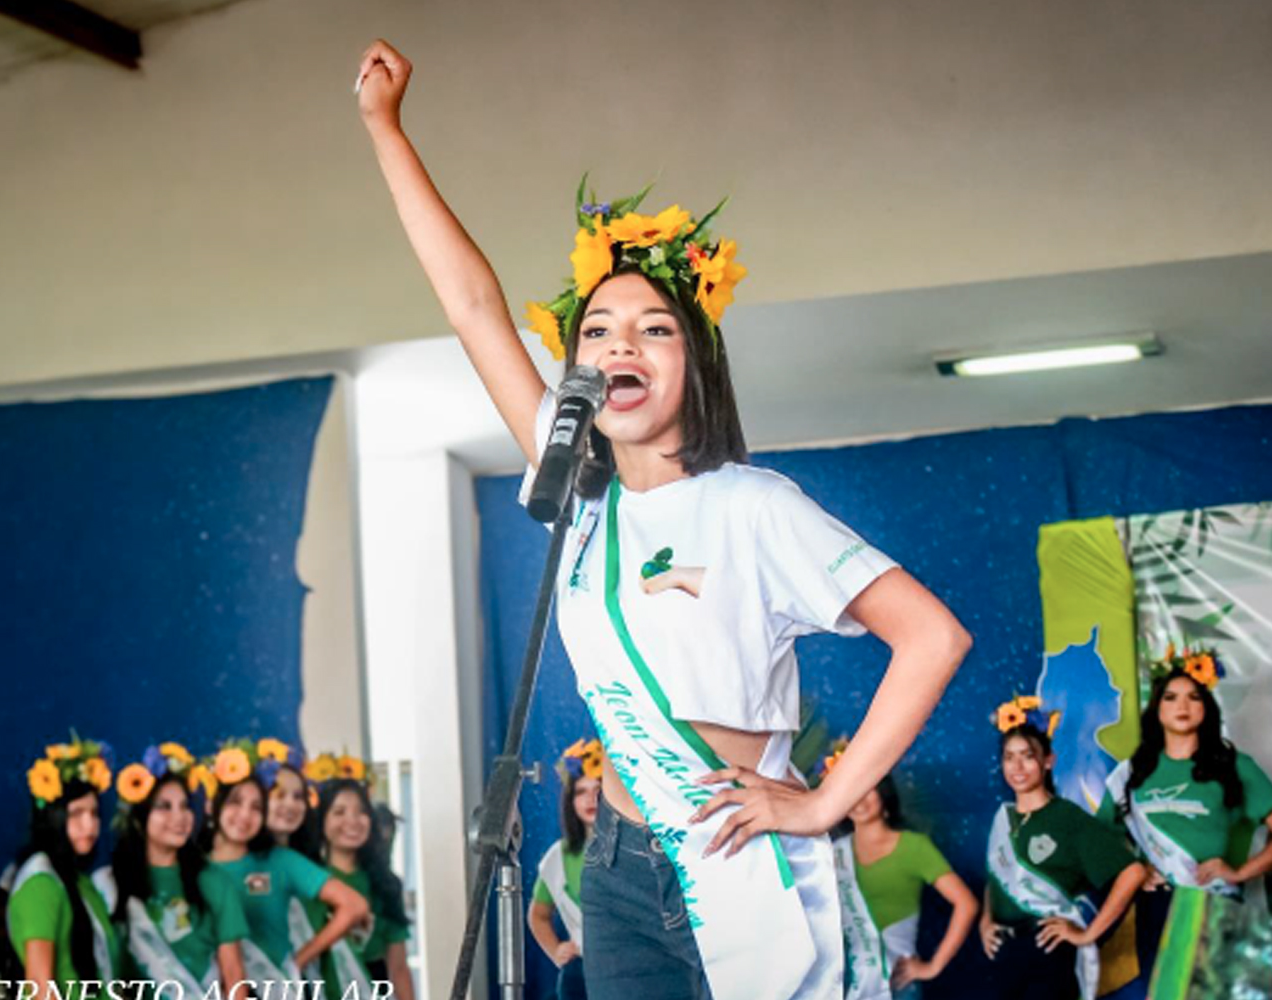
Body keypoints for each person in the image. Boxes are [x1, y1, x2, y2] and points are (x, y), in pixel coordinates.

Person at [356, 38, 970, 1000]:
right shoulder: (578, 501)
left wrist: (824, 807)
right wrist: (385, 130)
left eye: (654, 328)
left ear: (697, 363)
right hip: (615, 867)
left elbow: (933, 637)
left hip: (741, 863)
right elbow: (475, 307)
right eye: (596, 331)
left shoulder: (754, 506)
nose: (618, 344)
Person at [1096, 648, 1272, 903]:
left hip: (1212, 902)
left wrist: (1241, 873)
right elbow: (1099, 838)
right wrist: (1135, 872)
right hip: (1154, 900)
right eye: (1170, 697)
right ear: (1157, 708)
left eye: (1194, 697)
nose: (1182, 706)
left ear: (1206, 707)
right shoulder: (1132, 771)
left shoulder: (1233, 765)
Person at [981, 700, 1146, 1000]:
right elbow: (998, 876)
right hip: (1004, 954)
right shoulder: (1003, 817)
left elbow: (1133, 873)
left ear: (1048, 761)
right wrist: (985, 920)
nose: (1017, 767)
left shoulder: (1068, 818)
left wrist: (1088, 934)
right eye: (1008, 758)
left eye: (1027, 757)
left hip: (1048, 952)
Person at [203, 741, 369, 985]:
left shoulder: (281, 860)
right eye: (235, 802)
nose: (244, 814)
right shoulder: (193, 869)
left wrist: (299, 960)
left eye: (256, 806)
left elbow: (354, 906)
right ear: (213, 805)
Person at [821, 741, 977, 1000]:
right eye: (850, 791)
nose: (858, 799)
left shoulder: (914, 847)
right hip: (847, 984)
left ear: (883, 792)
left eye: (866, 788)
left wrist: (932, 966)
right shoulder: (833, 853)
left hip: (898, 985)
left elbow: (967, 904)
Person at [111, 743, 247, 996]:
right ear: (140, 818)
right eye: (164, 807)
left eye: (185, 806)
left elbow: (234, 975)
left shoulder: (214, 881)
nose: (179, 816)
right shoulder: (112, 883)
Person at [6, 737, 122, 998]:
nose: (89, 825)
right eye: (76, 814)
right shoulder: (41, 884)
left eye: (94, 814)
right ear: (53, 817)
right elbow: (39, 984)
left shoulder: (80, 881)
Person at [310, 771, 417, 1000]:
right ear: (322, 820)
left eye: (361, 812)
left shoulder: (386, 884)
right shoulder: (307, 880)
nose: (352, 821)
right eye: (339, 812)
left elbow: (398, 968)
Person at [528, 739, 603, 1000]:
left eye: (598, 789)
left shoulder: (638, 849)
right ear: (570, 800)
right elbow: (537, 915)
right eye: (581, 791)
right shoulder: (558, 856)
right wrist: (557, 950)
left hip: (633, 970)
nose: (590, 798)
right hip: (579, 976)